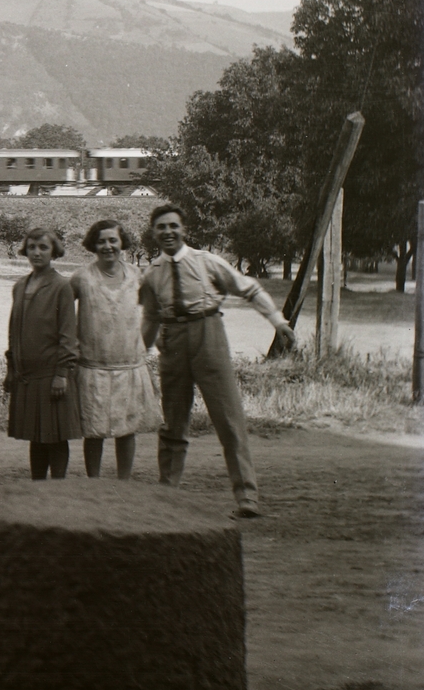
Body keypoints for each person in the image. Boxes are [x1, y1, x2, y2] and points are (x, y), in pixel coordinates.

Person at [139, 204, 297, 517]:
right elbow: (150, 318)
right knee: (173, 422)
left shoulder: (206, 261)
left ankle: (246, 498)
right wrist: (137, 356)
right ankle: (167, 494)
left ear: (183, 229)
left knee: (229, 419)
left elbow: (248, 288)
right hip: (172, 344)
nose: (168, 232)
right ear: (154, 233)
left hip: (208, 335)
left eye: (174, 226)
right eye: (161, 227)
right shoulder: (152, 274)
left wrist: (278, 322)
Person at [70, 220, 159, 480]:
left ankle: (124, 482)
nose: (107, 246)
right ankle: (94, 482)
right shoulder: (82, 277)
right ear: (92, 245)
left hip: (128, 365)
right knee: (94, 430)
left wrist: (143, 344)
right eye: (101, 241)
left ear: (122, 243)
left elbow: (154, 312)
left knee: (126, 429)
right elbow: (60, 310)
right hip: (93, 366)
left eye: (113, 240)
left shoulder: (136, 275)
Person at [6, 228, 81, 480]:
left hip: (52, 374)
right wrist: (11, 369)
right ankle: (36, 487)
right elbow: (14, 330)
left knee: (55, 435)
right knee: (36, 435)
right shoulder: (19, 286)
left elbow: (68, 335)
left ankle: (57, 488)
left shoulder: (61, 286)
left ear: (54, 252)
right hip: (27, 375)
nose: (36, 253)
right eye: (31, 247)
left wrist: (62, 373)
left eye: (43, 248)